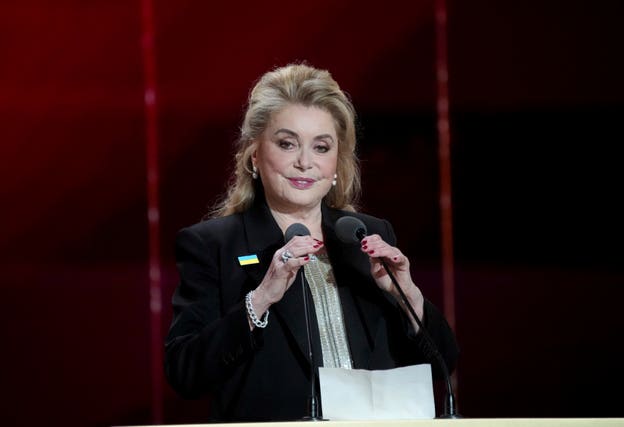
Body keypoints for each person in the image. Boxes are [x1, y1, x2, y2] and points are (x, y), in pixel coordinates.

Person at [164, 63, 459, 422]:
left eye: (321, 147)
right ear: (255, 155)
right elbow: (185, 372)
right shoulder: (213, 245)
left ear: (337, 164)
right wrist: (260, 299)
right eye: (287, 144)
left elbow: (442, 364)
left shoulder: (366, 236)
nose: (305, 162)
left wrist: (406, 294)